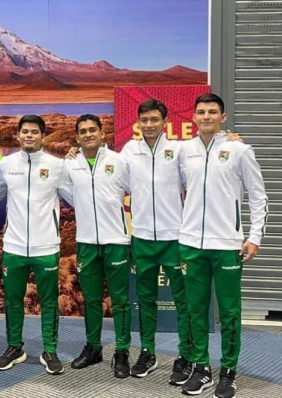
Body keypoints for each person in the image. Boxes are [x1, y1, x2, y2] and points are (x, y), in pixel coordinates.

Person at [179, 93, 268, 398]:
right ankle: (201, 368)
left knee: (229, 313)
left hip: (228, 244)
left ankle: (228, 371)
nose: (206, 116)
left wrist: (254, 236)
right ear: (193, 117)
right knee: (196, 311)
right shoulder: (184, 151)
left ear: (223, 117)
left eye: (212, 112)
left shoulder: (239, 149)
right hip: (191, 245)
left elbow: (258, 195)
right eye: (201, 112)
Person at [120, 100, 192, 384]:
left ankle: (185, 355)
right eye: (144, 120)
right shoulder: (129, 150)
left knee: (183, 301)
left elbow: (201, 173)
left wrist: (229, 140)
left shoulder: (179, 150)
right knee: (145, 300)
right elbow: (112, 179)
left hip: (175, 237)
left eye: (154, 119)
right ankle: (147, 352)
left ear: (164, 121)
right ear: (138, 122)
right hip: (142, 239)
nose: (148, 124)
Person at [59, 114, 132, 378]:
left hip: (116, 241)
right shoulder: (70, 165)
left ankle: (122, 351)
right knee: (91, 300)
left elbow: (138, 190)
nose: (88, 134)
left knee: (121, 301)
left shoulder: (119, 161)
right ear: (77, 136)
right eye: (82, 131)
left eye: (93, 130)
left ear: (102, 133)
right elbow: (67, 193)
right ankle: (93, 347)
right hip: (87, 242)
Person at [0, 115, 65, 375]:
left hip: (46, 247)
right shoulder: (7, 164)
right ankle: (15, 347)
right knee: (13, 300)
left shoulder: (57, 166)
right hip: (13, 246)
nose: (29, 136)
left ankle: (50, 350)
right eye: (24, 131)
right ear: (17, 135)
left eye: (34, 132)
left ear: (42, 136)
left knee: (49, 301)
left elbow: (74, 194)